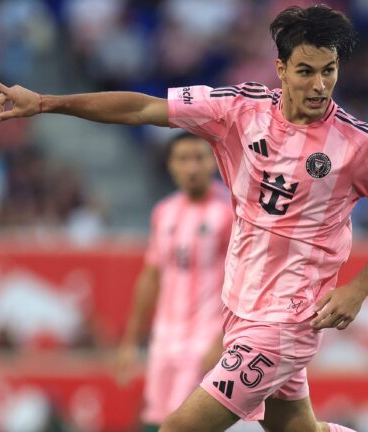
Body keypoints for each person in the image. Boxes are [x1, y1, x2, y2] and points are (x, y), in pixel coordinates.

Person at [0, 5, 368, 431]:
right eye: (306, 71)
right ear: (281, 68)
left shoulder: (358, 144)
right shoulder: (238, 110)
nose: (319, 85)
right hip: (240, 308)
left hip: (288, 321)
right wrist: (44, 102)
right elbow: (142, 108)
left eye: (329, 70)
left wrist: (358, 290)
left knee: (179, 428)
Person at [116, 131, 232, 430]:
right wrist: (130, 341)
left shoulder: (230, 211)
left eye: (199, 158)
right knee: (155, 418)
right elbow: (151, 276)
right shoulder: (163, 212)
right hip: (165, 339)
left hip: (205, 339)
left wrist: (222, 341)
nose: (192, 167)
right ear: (171, 165)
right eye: (183, 159)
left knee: (182, 423)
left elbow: (244, 282)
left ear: (213, 161)